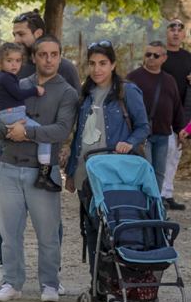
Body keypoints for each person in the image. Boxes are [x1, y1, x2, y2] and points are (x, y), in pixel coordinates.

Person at [0, 36, 79, 302]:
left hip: (44, 172)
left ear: (60, 57)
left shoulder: (67, 93)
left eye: (54, 54)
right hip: (11, 169)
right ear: (34, 58)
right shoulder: (17, 84)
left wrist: (27, 132)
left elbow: (62, 129)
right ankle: (12, 282)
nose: (49, 59)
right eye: (43, 54)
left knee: (48, 234)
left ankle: (49, 283)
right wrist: (8, 131)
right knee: (9, 232)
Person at [66, 42, 150, 194]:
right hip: (84, 171)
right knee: (87, 218)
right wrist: (70, 171)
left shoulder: (128, 91)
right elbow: (79, 134)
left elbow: (143, 127)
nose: (96, 69)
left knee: (114, 217)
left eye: (102, 63)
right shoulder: (85, 93)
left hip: (114, 172)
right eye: (92, 63)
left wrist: (129, 143)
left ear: (113, 65)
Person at [0, 42, 58, 193]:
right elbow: (19, 94)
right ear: (0, 62)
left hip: (5, 113)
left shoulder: (5, 77)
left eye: (18, 60)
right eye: (9, 61)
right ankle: (43, 175)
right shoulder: (7, 78)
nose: (14, 64)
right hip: (12, 114)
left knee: (0, 142)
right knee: (43, 136)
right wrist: (35, 89)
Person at [127, 41, 186, 194]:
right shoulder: (133, 77)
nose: (151, 58)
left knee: (159, 173)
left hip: (163, 135)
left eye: (156, 55)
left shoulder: (169, 80)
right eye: (148, 54)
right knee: (144, 171)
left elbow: (177, 107)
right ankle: (142, 208)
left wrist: (181, 131)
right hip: (140, 135)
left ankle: (155, 206)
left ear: (164, 58)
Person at [161, 19, 191, 210]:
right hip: (163, 111)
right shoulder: (160, 55)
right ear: (167, 32)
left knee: (176, 154)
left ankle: (168, 193)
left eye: (180, 28)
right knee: (165, 152)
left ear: (184, 34)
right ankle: (158, 194)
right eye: (172, 27)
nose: (176, 31)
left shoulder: (188, 57)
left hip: (183, 112)